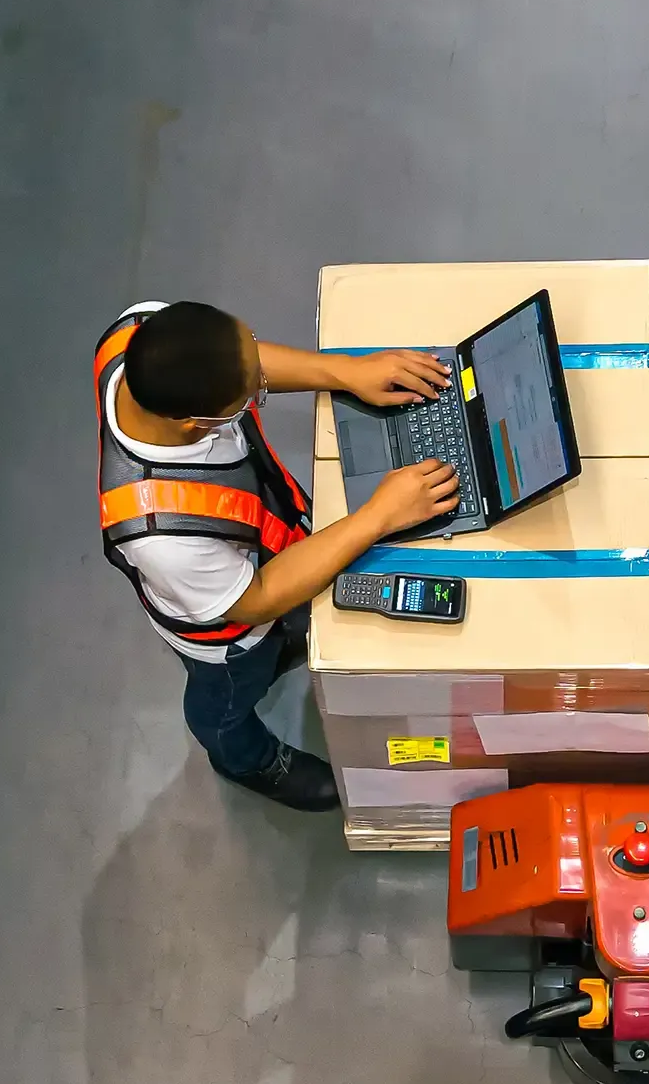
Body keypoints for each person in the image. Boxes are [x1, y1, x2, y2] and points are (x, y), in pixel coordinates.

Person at [95, 300, 461, 812]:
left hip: (266, 547)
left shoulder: (139, 332)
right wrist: (380, 515)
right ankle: (244, 760)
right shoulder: (163, 533)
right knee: (224, 702)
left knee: (290, 632)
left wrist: (345, 372)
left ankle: (284, 651)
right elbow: (257, 599)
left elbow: (240, 361)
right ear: (192, 424)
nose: (260, 389)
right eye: (253, 396)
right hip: (230, 634)